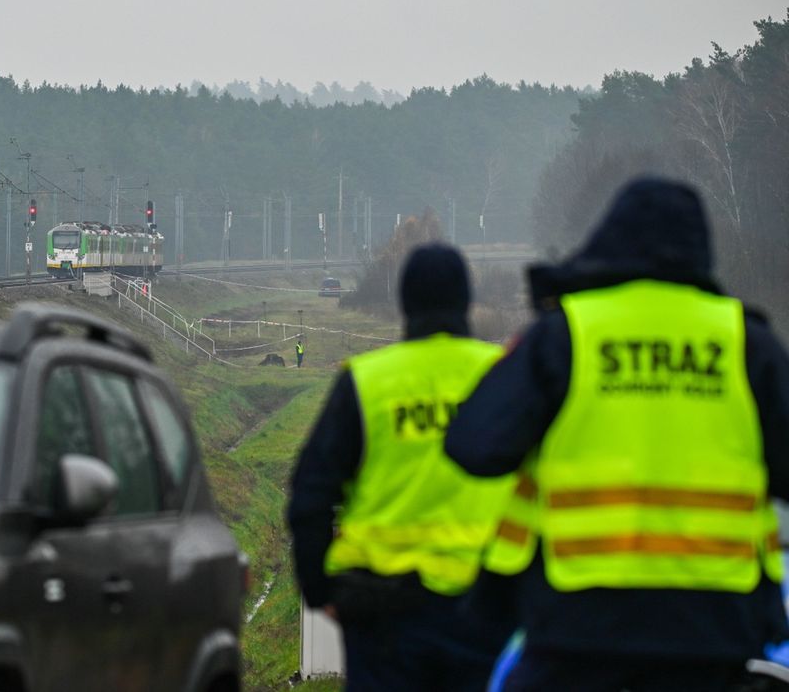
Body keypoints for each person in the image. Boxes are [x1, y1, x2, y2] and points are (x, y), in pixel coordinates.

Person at [445, 177, 789, 692]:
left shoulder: (564, 335)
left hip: (579, 625)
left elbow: (474, 445)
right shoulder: (748, 343)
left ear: (607, 243)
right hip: (713, 629)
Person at [287, 244, 515, 691]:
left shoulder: (367, 380)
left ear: (405, 302)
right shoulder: (503, 375)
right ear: (466, 302)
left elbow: (311, 493)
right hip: (487, 606)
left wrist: (319, 591)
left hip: (382, 617)